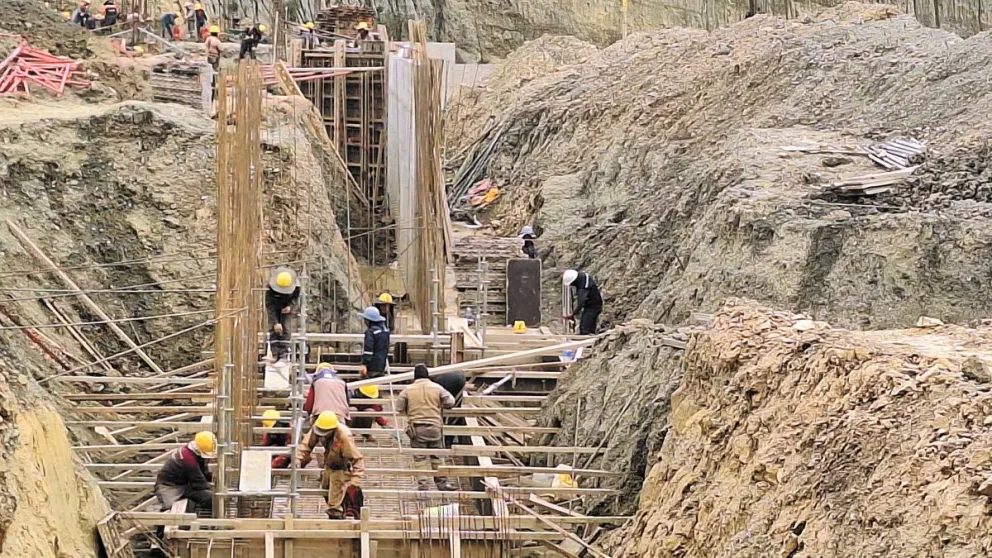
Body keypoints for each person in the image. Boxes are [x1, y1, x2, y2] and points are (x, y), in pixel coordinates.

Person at [396, 364, 457, 491]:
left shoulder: (408, 390)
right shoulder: (437, 388)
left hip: (417, 430)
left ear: (414, 376)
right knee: (437, 456)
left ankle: (423, 485)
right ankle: (442, 483)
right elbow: (450, 402)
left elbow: (399, 408)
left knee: (420, 458)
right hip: (434, 427)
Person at [296, 411, 366, 519]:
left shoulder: (344, 436)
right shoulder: (318, 426)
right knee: (326, 490)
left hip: (341, 466)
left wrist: (355, 480)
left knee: (335, 498)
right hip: (329, 463)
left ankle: (337, 515)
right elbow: (307, 444)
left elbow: (357, 459)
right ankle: (337, 510)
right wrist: (298, 458)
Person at [154, 431, 216, 513]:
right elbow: (199, 484)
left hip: (185, 484)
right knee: (171, 513)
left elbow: (203, 473)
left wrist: (214, 478)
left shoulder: (194, 451)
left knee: (208, 497)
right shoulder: (188, 459)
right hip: (169, 487)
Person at [563, 269, 603, 335]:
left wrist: (573, 314)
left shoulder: (583, 287)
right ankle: (591, 340)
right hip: (594, 305)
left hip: (593, 307)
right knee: (589, 328)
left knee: (584, 329)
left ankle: (587, 343)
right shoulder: (582, 276)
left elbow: (581, 303)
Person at [432, 371, 466, 448]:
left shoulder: (436, 383)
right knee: (456, 414)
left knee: (445, 415)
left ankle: (445, 440)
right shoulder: (437, 380)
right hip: (458, 382)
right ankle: (448, 440)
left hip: (452, 383)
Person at [265, 266, 300, 337]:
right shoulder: (270, 288)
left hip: (287, 305)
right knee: (274, 331)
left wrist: (290, 306)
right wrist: (275, 322)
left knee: (286, 329)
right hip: (275, 304)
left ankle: (286, 345)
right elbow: (270, 305)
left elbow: (295, 299)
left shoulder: (296, 286)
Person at [358, 306, 390, 379]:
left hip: (372, 366)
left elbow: (368, 350)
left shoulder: (370, 332)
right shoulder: (385, 331)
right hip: (381, 365)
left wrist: (364, 364)